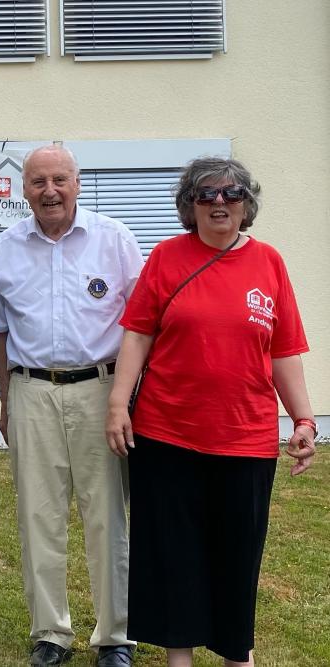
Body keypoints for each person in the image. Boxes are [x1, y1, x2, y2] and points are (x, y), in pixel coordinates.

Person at [105, 157, 316, 667]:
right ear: (190, 204)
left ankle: (236, 657)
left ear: (247, 204)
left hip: (245, 438)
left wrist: (304, 420)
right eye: (207, 194)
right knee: (172, 554)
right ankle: (179, 659)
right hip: (167, 433)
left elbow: (284, 351)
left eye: (231, 193)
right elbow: (138, 334)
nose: (220, 202)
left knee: (237, 558)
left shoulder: (269, 262)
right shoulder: (166, 257)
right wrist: (117, 403)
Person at [0, 145, 142, 667]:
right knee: (38, 516)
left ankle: (115, 636)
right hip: (30, 391)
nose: (49, 191)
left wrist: (127, 398)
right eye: (38, 182)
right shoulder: (7, 247)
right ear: (23, 189)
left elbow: (141, 326)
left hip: (101, 390)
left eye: (59, 180)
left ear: (77, 182)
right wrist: (6, 402)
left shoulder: (115, 239)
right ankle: (50, 633)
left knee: (106, 517)